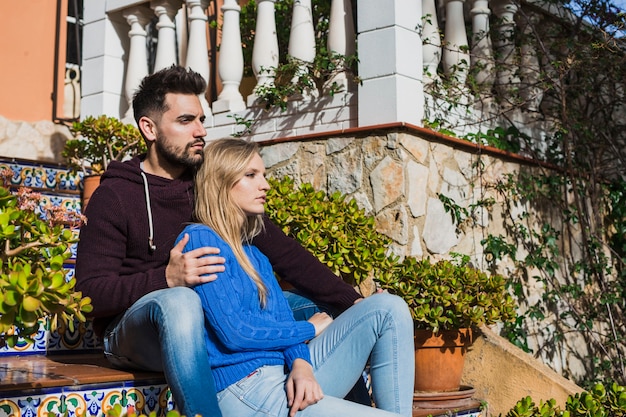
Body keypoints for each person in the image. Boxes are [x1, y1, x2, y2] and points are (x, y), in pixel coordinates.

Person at [74, 65, 365, 417]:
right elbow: (89, 293)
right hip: (136, 332)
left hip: (211, 317)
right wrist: (164, 279)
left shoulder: (207, 183)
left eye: (200, 119)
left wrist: (354, 302)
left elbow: (284, 252)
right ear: (149, 128)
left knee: (328, 311)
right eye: (185, 121)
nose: (200, 131)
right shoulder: (115, 196)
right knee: (180, 303)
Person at [177, 137, 414, 417]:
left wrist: (301, 363)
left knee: (388, 308)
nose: (264, 185)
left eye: (263, 175)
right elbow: (235, 333)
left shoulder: (255, 255)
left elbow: (281, 321)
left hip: (282, 378)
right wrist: (308, 331)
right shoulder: (201, 239)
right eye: (250, 175)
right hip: (244, 389)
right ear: (220, 182)